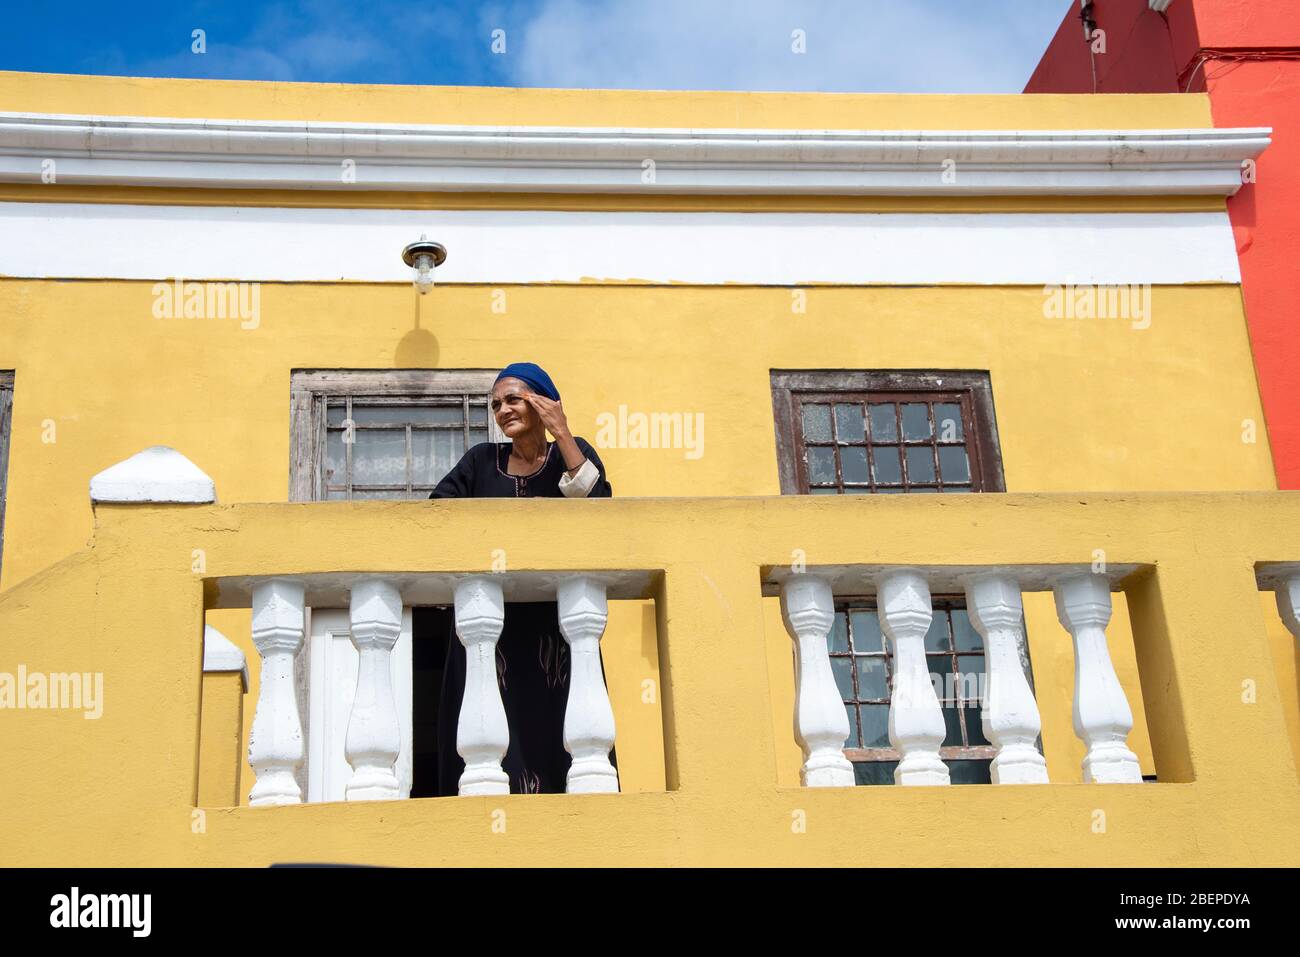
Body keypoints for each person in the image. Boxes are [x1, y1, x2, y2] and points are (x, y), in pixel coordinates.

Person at [429, 362, 615, 795]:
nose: (503, 410)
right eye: (496, 404)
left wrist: (563, 434)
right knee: (491, 735)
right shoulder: (481, 461)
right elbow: (438, 513)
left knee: (560, 732)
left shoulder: (571, 455)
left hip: (556, 628)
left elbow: (601, 510)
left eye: (513, 399)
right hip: (491, 630)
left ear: (543, 401)